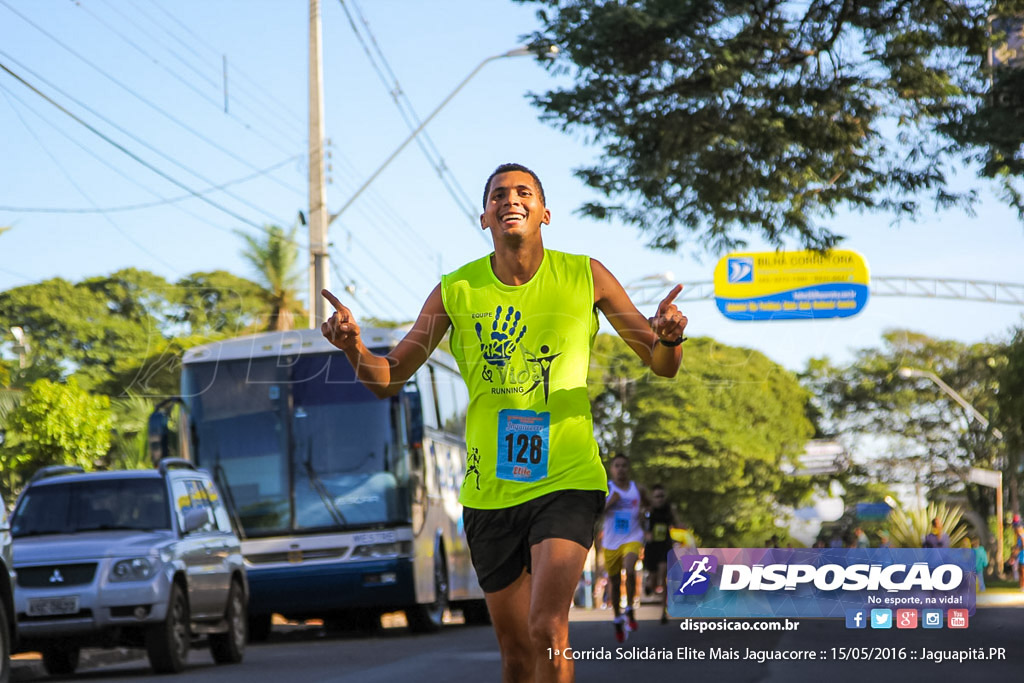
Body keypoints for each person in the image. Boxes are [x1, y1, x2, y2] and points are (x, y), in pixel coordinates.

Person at [320, 163, 686, 683]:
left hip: (567, 477)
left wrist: (669, 339)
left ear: (545, 212)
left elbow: (660, 363)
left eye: (524, 192)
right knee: (515, 655)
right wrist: (354, 346)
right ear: (484, 215)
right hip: (490, 490)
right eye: (498, 194)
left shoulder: (587, 276)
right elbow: (389, 376)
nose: (510, 199)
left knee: (547, 629)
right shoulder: (456, 291)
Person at [602, 454, 648, 642]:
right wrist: (610, 502)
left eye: (624, 466)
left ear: (628, 468)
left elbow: (651, 505)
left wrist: (645, 513)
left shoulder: (638, 489)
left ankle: (629, 608)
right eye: (617, 466)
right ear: (611, 469)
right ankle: (617, 618)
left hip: (632, 537)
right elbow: (595, 512)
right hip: (611, 541)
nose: (620, 469)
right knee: (613, 582)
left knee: (629, 570)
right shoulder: (606, 490)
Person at [642, 483, 678, 625]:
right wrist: (646, 533)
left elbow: (677, 522)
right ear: (652, 497)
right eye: (657, 496)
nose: (660, 499)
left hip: (665, 546)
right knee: (654, 579)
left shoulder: (669, 510)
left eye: (662, 496)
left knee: (663, 577)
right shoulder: (648, 511)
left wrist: (681, 527)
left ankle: (664, 611)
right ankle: (649, 585)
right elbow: (639, 524)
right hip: (651, 547)